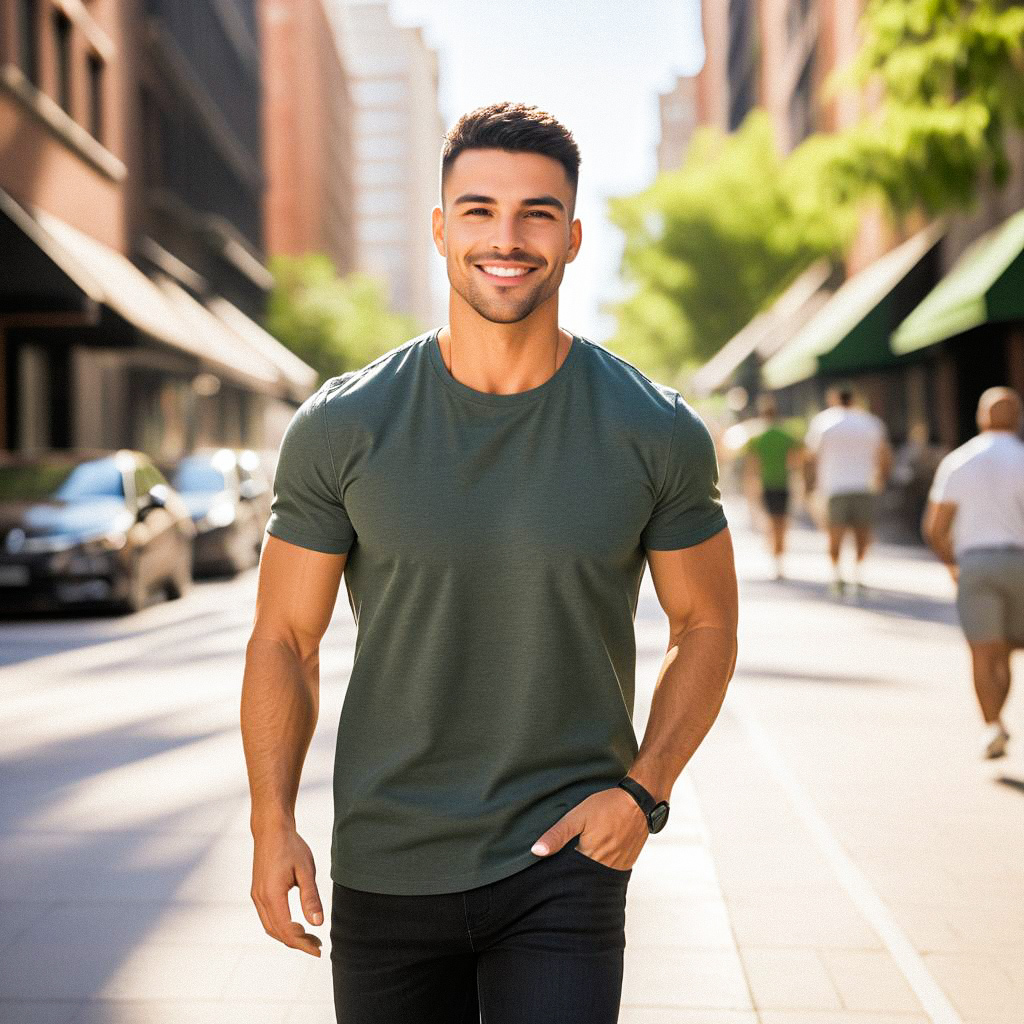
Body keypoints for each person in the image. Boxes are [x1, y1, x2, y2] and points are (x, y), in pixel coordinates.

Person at [240, 101, 739, 1024]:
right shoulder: (344, 427)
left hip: (566, 865)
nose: (506, 238)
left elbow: (706, 624)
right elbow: (284, 637)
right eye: (478, 210)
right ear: (439, 228)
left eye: (536, 214)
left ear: (574, 235)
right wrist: (273, 822)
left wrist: (645, 791)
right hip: (388, 863)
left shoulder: (655, 430)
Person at [923, 386, 1024, 760]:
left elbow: (935, 528)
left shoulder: (959, 462)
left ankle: (992, 726)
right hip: (1019, 562)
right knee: (1008, 652)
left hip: (976, 563)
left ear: (982, 417)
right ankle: (998, 719)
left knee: (982, 652)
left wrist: (953, 563)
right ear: (1017, 418)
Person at [804, 385, 892, 597]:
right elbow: (885, 454)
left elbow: (810, 456)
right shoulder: (870, 422)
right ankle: (858, 575)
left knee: (835, 533)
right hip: (864, 485)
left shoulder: (824, 423)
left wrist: (809, 484)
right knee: (863, 533)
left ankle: (837, 576)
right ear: (855, 399)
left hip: (834, 487)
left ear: (834, 399)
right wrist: (881, 477)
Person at [743, 394, 802, 580]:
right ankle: (780, 560)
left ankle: (775, 559)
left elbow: (752, 465)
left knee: (770, 521)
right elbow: (796, 460)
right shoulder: (786, 435)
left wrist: (750, 486)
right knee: (782, 522)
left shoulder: (758, 437)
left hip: (766, 484)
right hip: (783, 482)